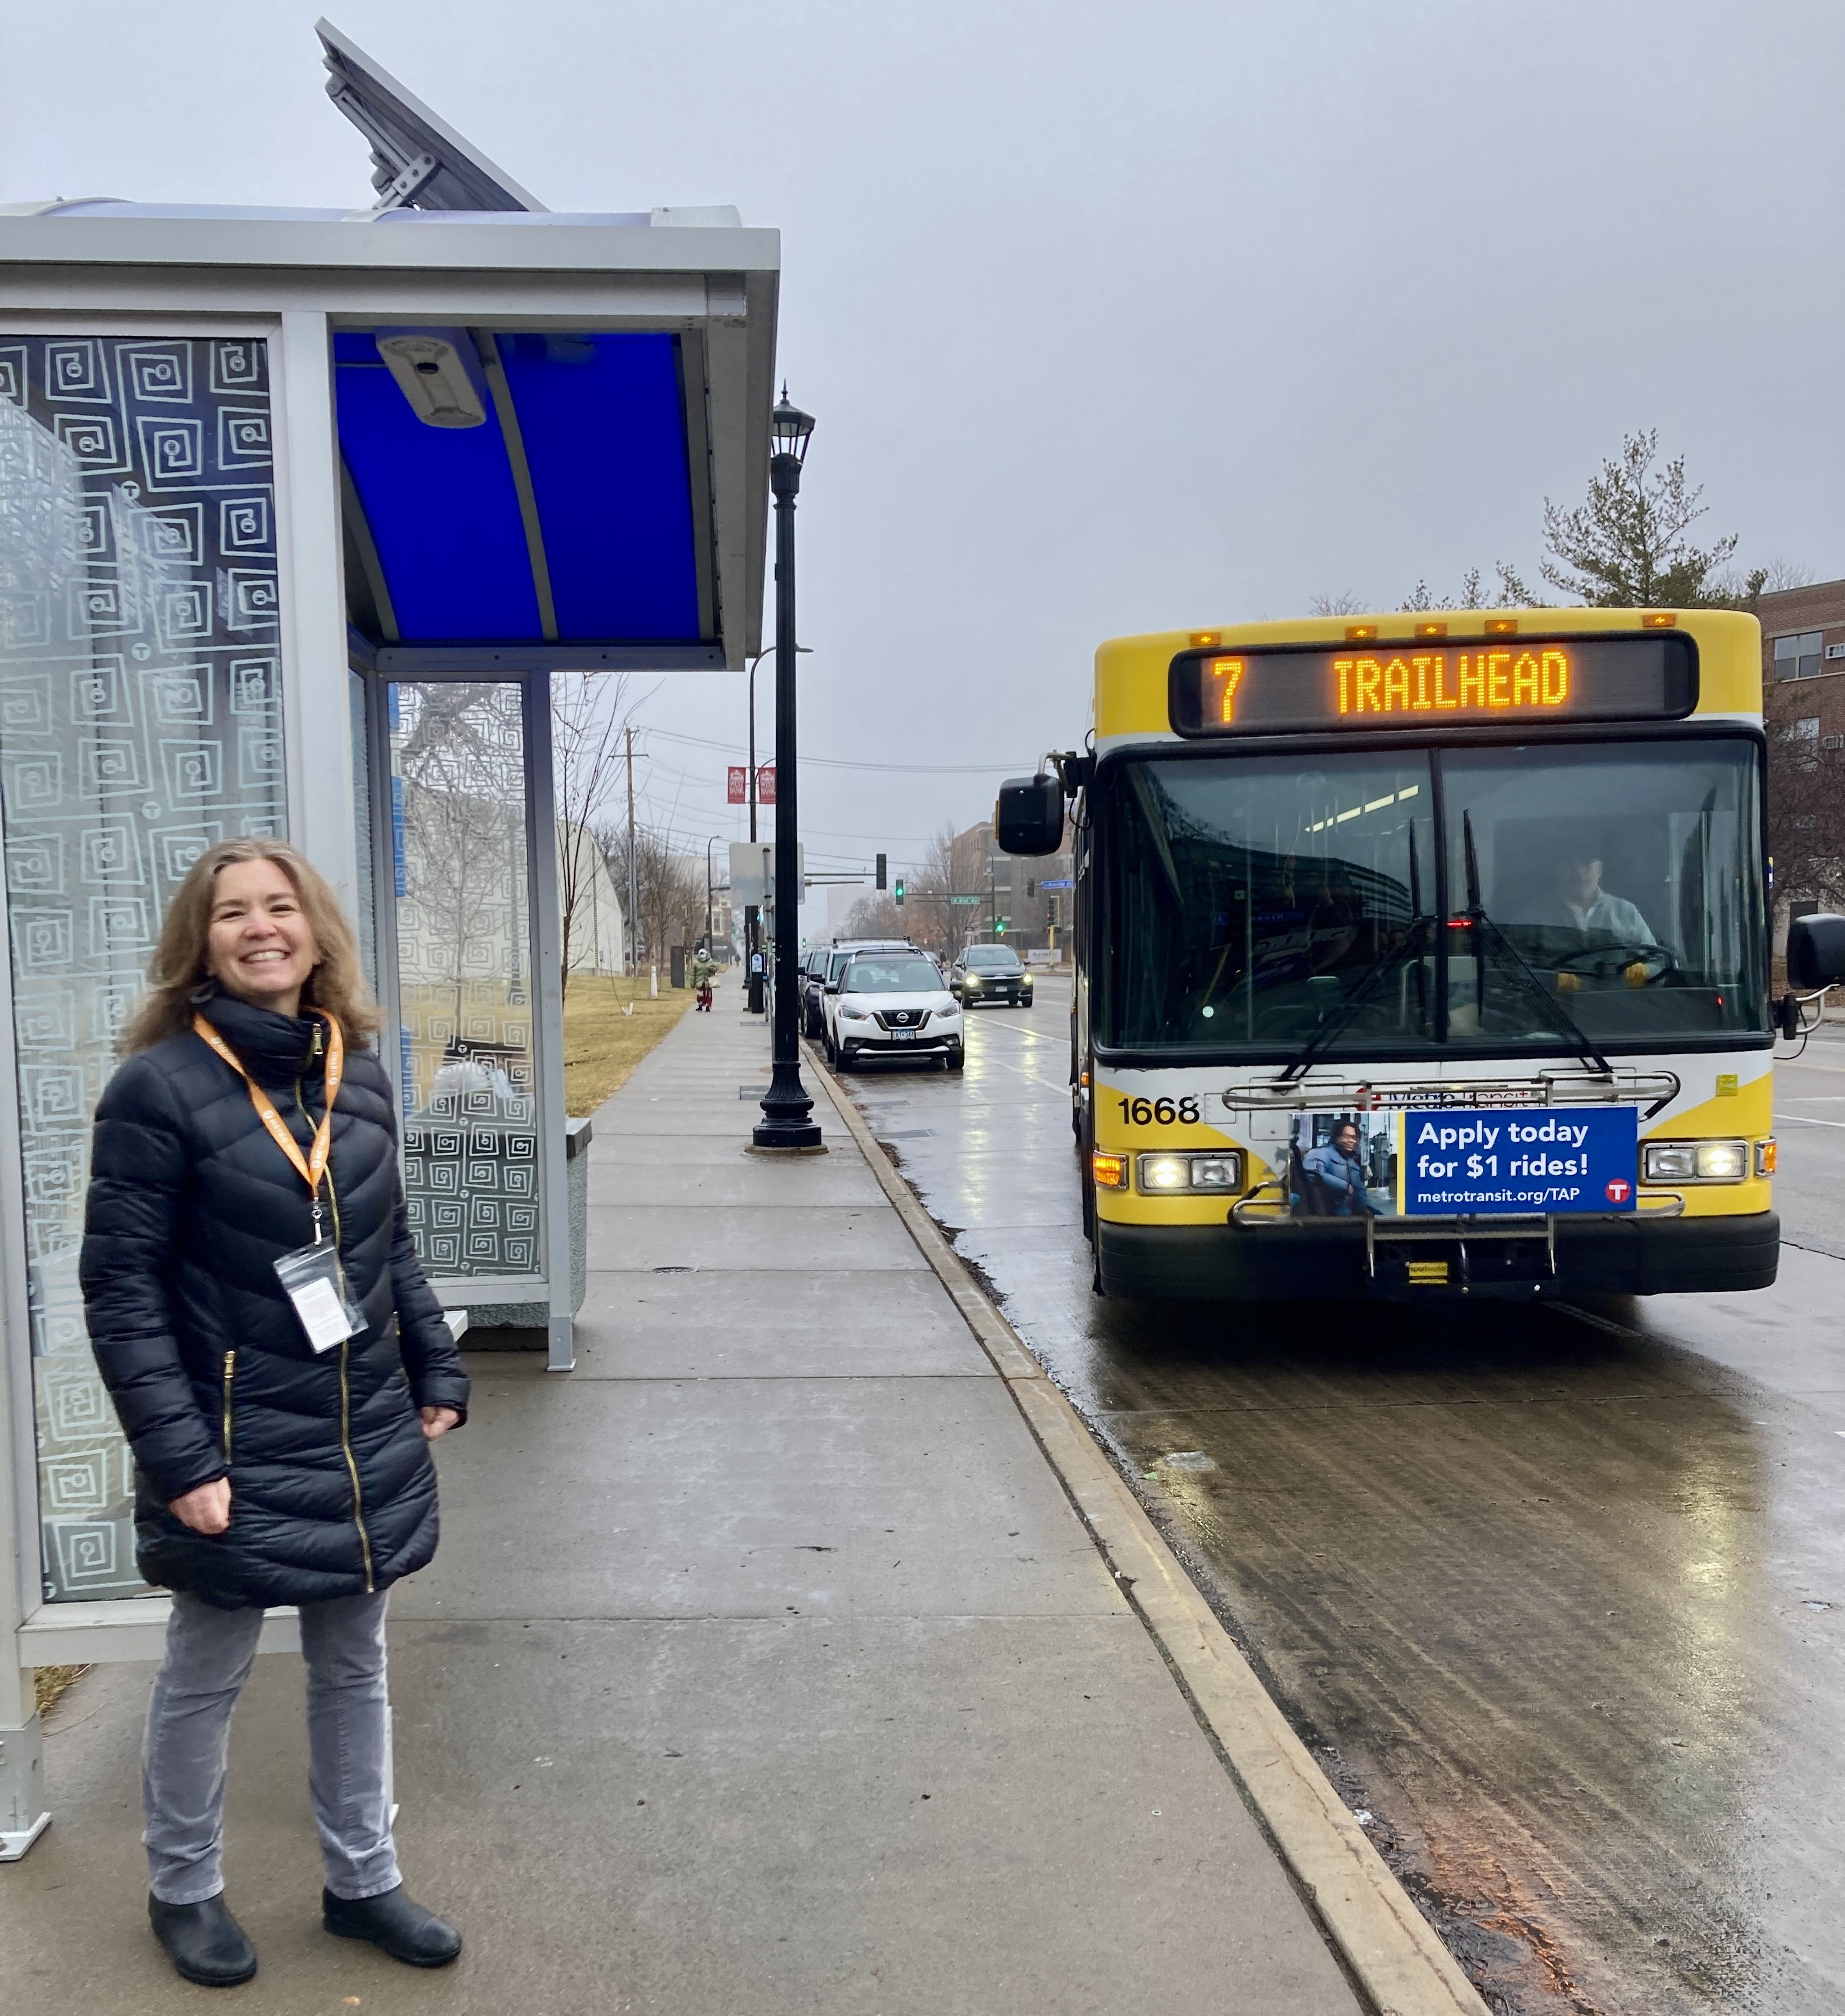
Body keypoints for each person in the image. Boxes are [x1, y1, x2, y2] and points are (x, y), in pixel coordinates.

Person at [79, 837, 469, 1989]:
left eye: (280, 906)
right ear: (199, 940)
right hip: (231, 1443)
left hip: (356, 1433)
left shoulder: (359, 1065)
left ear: (315, 930)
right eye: (233, 911)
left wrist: (435, 1363)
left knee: (356, 1666)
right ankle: (183, 1889)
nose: (261, 927)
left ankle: (363, 1882)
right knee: (206, 1673)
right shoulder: (156, 1087)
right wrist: (178, 1455)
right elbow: (122, 1289)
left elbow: (382, 1242)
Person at [1531, 844, 1655, 945]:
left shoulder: (1626, 912)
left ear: (1600, 869)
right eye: (1570, 863)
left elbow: (1656, 961)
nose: (1579, 872)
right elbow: (1518, 967)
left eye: (1586, 862)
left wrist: (1645, 970)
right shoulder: (1533, 917)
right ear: (1556, 870)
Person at [1300, 1119, 1371, 1216]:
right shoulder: (1322, 1153)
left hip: (1352, 1216)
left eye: (1354, 1138)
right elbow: (1312, 1174)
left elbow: (1360, 1190)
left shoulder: (1353, 1163)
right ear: (1336, 1137)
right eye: (1347, 1137)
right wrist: (1344, 1186)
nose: (1352, 1141)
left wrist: (1366, 1208)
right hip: (1329, 1215)